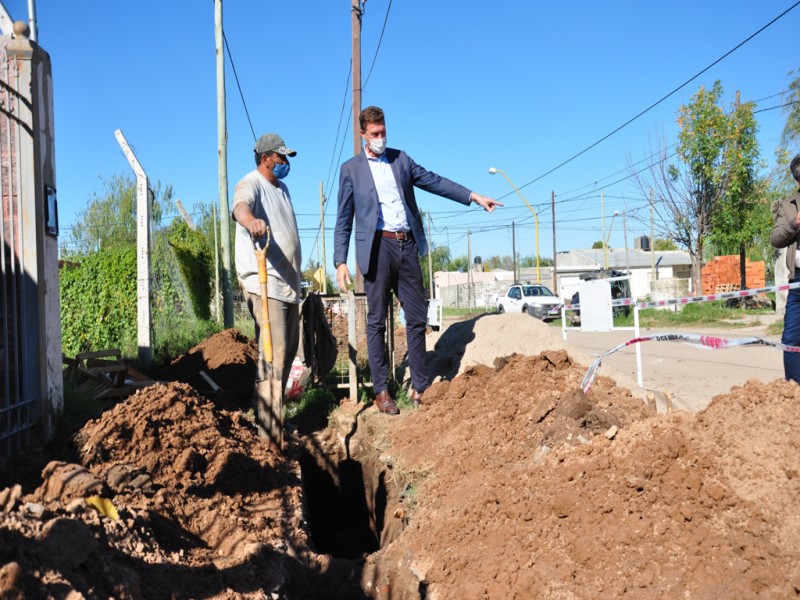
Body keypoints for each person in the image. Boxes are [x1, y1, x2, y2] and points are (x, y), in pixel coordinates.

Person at [333, 105, 502, 414]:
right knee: (376, 322)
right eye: (375, 134)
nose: (381, 138)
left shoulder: (401, 160)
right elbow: (344, 218)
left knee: (417, 317)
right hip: (376, 247)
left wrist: (473, 196)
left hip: (407, 245)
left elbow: (434, 181)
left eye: (384, 132)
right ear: (362, 135)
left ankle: (420, 387)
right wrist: (340, 260)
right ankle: (382, 390)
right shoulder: (351, 170)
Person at [232, 133, 302, 435]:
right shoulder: (251, 182)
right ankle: (268, 430)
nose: (285, 163)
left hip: (288, 284)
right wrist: (251, 223)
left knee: (288, 351)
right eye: (281, 157)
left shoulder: (282, 188)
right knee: (273, 351)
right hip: (264, 281)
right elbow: (240, 207)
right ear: (266, 158)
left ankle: (271, 411)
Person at [770, 152, 800, 384]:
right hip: (798, 280)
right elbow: (776, 238)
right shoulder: (787, 205)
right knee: (790, 339)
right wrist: (794, 223)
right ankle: (793, 393)